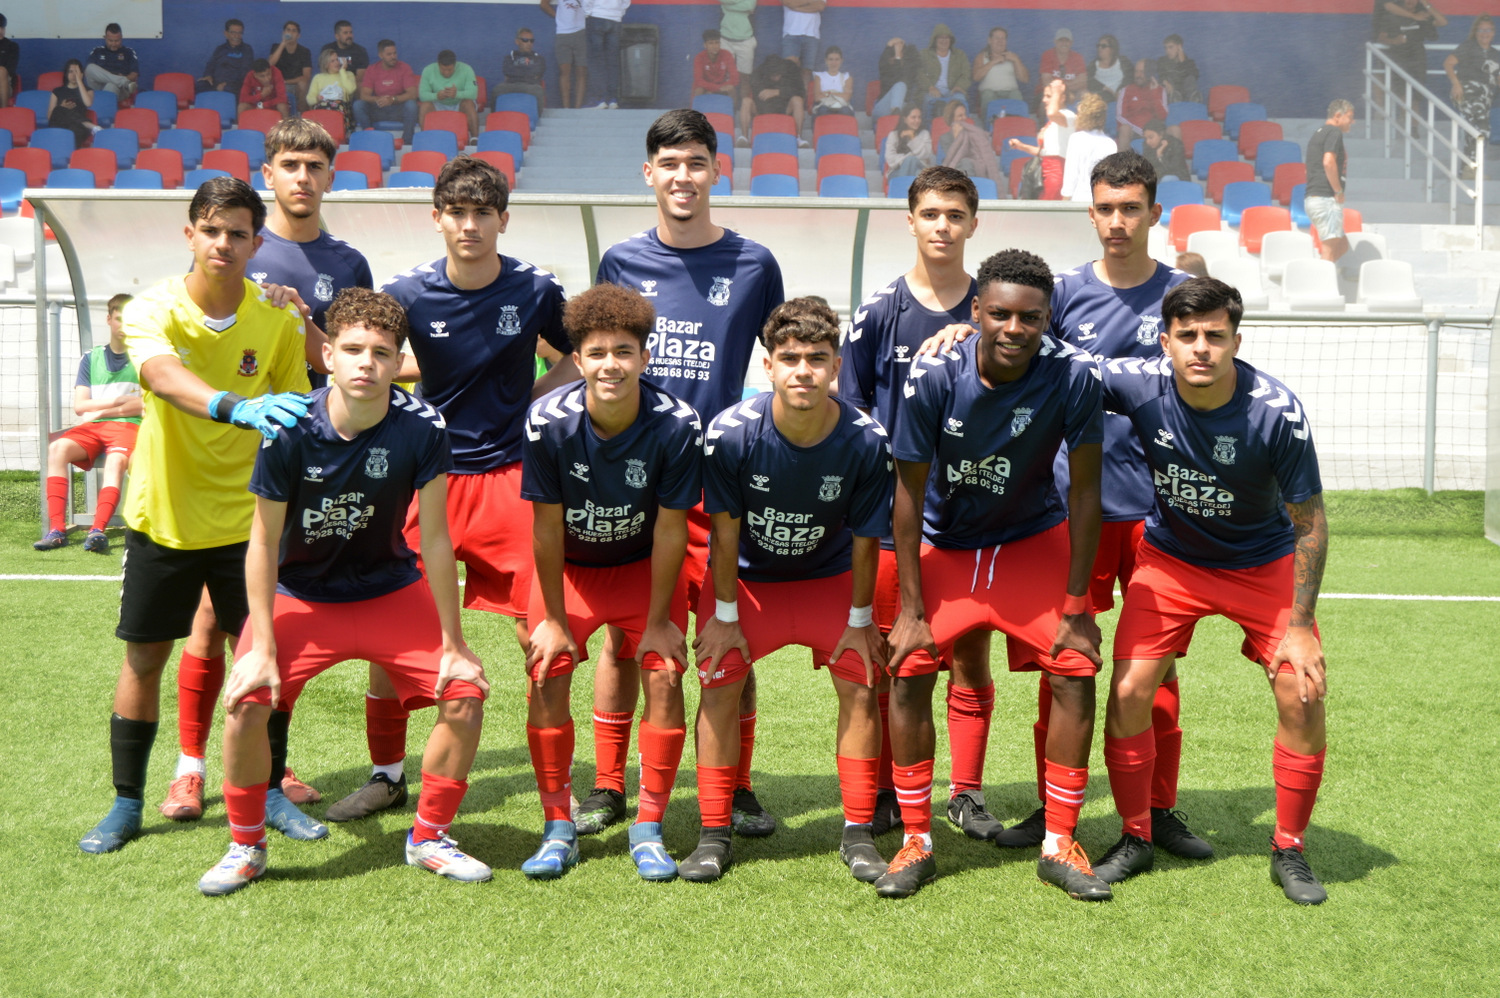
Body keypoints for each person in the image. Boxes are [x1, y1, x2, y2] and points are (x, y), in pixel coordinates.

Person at [197, 287, 491, 896]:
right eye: (352, 349)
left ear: (397, 362)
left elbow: (436, 540)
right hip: (299, 594)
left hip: (388, 588)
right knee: (247, 700)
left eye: (381, 353)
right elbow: (260, 542)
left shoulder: (422, 426)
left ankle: (429, 836)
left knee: (465, 692)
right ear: (327, 354)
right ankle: (246, 846)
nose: (366, 363)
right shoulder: (288, 429)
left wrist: (454, 643)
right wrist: (258, 645)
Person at [77, 177, 314, 855]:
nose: (223, 242)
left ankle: (267, 793)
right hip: (164, 518)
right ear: (190, 234)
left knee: (264, 659)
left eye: (238, 232)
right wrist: (236, 406)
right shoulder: (154, 307)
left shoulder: (278, 319)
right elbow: (158, 375)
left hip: (251, 527)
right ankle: (126, 802)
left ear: (256, 243)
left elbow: (295, 408)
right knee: (146, 657)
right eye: (211, 229)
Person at [1089, 276, 1330, 906]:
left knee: (1301, 690)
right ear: (1165, 342)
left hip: (1262, 563)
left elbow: (1310, 520)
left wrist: (1301, 626)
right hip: (1172, 563)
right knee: (1131, 688)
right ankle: (1136, 833)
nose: (1201, 348)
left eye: (1215, 336)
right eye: (1188, 336)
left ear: (1236, 341)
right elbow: (1046, 357)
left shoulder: (1276, 411)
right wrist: (965, 331)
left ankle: (1289, 846)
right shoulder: (1139, 384)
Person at [997, 152, 1207, 863]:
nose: (1118, 221)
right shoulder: (1058, 293)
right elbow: (1013, 350)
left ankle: (1158, 810)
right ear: (1090, 213)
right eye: (1106, 208)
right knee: (1064, 663)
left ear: (1154, 212)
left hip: (1158, 515)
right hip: (1070, 509)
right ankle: (1051, 806)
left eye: (1131, 208)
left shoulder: (1186, 296)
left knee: (1154, 672)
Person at [165, 118, 375, 826]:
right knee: (207, 618)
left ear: (330, 175)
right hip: (222, 457)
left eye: (316, 164)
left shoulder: (348, 263)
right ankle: (190, 768)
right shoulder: (240, 242)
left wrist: (304, 324)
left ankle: (270, 766)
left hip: (308, 454)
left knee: (273, 615)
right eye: (290, 163)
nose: (303, 177)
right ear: (269, 171)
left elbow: (344, 358)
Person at [883, 247, 1106, 901]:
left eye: (1030, 318)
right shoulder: (932, 376)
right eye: (1001, 314)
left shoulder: (1074, 376)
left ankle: (1059, 841)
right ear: (976, 311)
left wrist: (1076, 604)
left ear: (1048, 318)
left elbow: (1086, 495)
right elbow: (906, 497)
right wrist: (911, 609)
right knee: (909, 665)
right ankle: (916, 840)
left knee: (1076, 666)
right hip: (946, 545)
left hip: (1029, 541)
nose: (1014, 329)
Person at [586, 108, 784, 839]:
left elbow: (784, 358)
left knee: (728, 633)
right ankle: (609, 784)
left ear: (714, 171)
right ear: (649, 173)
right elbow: (601, 360)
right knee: (622, 636)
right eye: (669, 163)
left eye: (696, 162)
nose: (682, 176)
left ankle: (732, 786)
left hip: (717, 482)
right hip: (632, 481)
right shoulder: (621, 262)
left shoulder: (754, 264)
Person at [368, 157, 576, 819]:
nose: (469, 225)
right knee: (389, 626)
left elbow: (576, 352)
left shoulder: (535, 288)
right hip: (428, 479)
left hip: (512, 481)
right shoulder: (407, 293)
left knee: (541, 633)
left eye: (482, 213)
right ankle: (385, 775)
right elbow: (365, 360)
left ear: (502, 221)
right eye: (457, 213)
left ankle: (554, 796)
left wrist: (534, 405)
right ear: (437, 219)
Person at [687, 297, 892, 885]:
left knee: (859, 682)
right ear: (768, 366)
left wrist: (859, 620)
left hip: (827, 582)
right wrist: (724, 616)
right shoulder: (730, 433)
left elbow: (864, 541)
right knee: (720, 686)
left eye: (817, 359)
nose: (804, 370)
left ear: (836, 367)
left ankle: (856, 832)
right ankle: (713, 831)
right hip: (749, 585)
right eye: (790, 358)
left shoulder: (865, 438)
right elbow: (723, 536)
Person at [519, 282, 702, 882]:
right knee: (547, 669)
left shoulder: (677, 424)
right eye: (597, 353)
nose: (610, 365)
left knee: (666, 673)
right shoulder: (548, 421)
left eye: (624, 352)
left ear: (645, 358)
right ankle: (557, 826)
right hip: (569, 571)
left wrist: (657, 622)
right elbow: (545, 530)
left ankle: (648, 827)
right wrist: (549, 617)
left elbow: (673, 531)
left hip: (641, 568)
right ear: (577, 360)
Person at [844, 166, 994, 843]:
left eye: (954, 214)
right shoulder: (880, 311)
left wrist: (977, 339)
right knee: (892, 657)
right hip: (894, 513)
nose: (942, 226)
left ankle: (966, 792)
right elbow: (850, 410)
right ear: (910, 220)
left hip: (976, 512)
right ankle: (882, 791)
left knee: (969, 655)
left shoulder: (997, 310)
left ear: (973, 222)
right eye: (930, 213)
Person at [33, 293, 140, 554]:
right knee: (57, 448)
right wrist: (120, 400)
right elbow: (80, 406)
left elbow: (146, 404)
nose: (124, 326)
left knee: (115, 462)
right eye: (119, 319)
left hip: (129, 426)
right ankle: (57, 530)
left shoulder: (144, 356)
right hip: (94, 427)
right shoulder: (91, 358)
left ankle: (97, 531)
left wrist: (103, 410)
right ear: (108, 319)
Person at [1443, 15, 1499, 176]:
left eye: (1488, 30)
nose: (1484, 33)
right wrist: (1456, 83)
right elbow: (1448, 63)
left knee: (1477, 130)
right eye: (1481, 30)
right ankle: (1472, 167)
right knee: (1481, 127)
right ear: (1475, 32)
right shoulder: (1468, 46)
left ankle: (1468, 169)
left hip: (1485, 98)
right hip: (1467, 92)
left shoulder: (1496, 54)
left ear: (1493, 33)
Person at [1304, 99, 1355, 263]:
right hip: (1325, 199)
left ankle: (1318, 273)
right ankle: (1320, 285)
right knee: (1329, 252)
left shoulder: (1318, 133)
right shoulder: (1334, 132)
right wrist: (1338, 190)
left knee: (1342, 245)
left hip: (1315, 198)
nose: (1351, 122)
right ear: (1338, 115)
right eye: (1349, 117)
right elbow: (1328, 161)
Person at [1008, 79, 1074, 200]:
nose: (1044, 100)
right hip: (1045, 170)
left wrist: (1057, 92)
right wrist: (1021, 146)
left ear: (1062, 98)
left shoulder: (1069, 116)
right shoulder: (1053, 122)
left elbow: (1052, 113)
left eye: (1049, 96)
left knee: (1049, 211)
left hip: (1057, 171)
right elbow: (1044, 152)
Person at [354, 40, 420, 147]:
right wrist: (380, 100)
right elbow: (364, 95)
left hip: (398, 109)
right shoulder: (372, 69)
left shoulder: (404, 67)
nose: (393, 56)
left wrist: (392, 99)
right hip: (379, 108)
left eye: (395, 53)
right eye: (389, 54)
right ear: (381, 55)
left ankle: (407, 142)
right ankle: (370, 138)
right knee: (358, 105)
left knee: (412, 105)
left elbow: (412, 94)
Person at [737, 54, 807, 146]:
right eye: (773, 75)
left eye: (778, 74)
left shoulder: (791, 68)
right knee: (746, 101)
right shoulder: (758, 73)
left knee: (798, 100)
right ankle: (745, 137)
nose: (776, 78)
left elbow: (801, 91)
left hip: (785, 108)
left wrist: (778, 92)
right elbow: (759, 99)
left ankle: (798, 138)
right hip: (763, 109)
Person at [1375, 0, 1446, 90]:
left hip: (1418, 60)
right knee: (1401, 92)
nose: (1410, 1)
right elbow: (1381, 38)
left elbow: (1443, 22)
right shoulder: (1392, 16)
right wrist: (1394, 41)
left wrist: (1426, 4)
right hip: (1399, 57)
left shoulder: (1423, 16)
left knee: (1417, 93)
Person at [1061, 93, 1117, 203]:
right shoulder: (1110, 144)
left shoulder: (1076, 139)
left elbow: (1071, 175)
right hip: (1102, 202)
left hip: (1079, 201)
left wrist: (1064, 201)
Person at [937, 101, 1002, 190]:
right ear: (952, 119)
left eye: (964, 115)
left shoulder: (973, 132)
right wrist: (957, 139)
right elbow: (952, 158)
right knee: (965, 163)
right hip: (956, 171)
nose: (964, 118)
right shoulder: (944, 138)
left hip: (975, 166)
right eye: (960, 116)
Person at [420, 50, 480, 142]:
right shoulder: (428, 70)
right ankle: (424, 138)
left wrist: (457, 94)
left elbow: (473, 94)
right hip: (438, 103)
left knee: (468, 103)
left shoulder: (467, 69)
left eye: (450, 70)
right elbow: (422, 95)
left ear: (455, 65)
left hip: (459, 104)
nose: (447, 72)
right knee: (425, 106)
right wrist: (436, 96)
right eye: (443, 69)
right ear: (438, 65)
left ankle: (475, 139)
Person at [972, 27, 1028, 123]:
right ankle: (989, 127)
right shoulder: (982, 56)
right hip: (990, 93)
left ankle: (1016, 127)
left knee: (1016, 95)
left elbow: (1025, 79)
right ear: (990, 40)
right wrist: (993, 61)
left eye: (1003, 38)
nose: (1000, 41)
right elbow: (976, 77)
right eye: (997, 38)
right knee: (987, 95)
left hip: (1010, 93)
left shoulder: (1013, 57)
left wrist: (1016, 61)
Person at [917, 24, 970, 122]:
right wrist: (930, 87)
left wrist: (959, 86)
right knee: (929, 101)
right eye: (940, 37)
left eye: (946, 38)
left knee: (961, 100)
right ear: (935, 39)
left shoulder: (959, 55)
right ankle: (929, 129)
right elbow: (919, 74)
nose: (944, 41)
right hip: (931, 91)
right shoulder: (925, 54)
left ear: (951, 40)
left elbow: (966, 74)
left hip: (953, 91)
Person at [541, 0, 588, 109]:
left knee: (581, 72)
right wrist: (558, 17)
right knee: (564, 72)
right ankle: (566, 108)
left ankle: (578, 108)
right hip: (563, 33)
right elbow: (544, 4)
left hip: (581, 32)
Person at [584, 0, 630, 109]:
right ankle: (612, 100)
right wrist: (618, 12)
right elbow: (626, 2)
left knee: (596, 62)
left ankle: (599, 100)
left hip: (597, 17)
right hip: (615, 19)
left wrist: (588, 12)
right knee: (612, 62)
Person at [48, 61, 100, 146]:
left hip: (77, 127)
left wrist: (79, 81)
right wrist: (62, 108)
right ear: (66, 74)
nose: (73, 75)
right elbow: (50, 116)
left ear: (81, 74)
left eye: (76, 72)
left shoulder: (88, 90)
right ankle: (88, 124)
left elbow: (88, 103)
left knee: (75, 131)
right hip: (59, 125)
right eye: (70, 72)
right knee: (58, 109)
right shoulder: (57, 91)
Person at [1117, 60, 1167, 148]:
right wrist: (1140, 131)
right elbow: (1120, 117)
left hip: (1154, 132)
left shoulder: (1160, 90)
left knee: (1174, 129)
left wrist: (1154, 93)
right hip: (1133, 132)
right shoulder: (1126, 90)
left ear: (1149, 73)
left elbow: (1162, 116)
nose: (1138, 75)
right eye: (1136, 71)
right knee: (1124, 129)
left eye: (1142, 72)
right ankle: (1121, 161)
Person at [307, 47, 358, 133]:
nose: (337, 63)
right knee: (320, 108)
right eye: (332, 61)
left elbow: (350, 90)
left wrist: (342, 71)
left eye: (337, 60)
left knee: (337, 106)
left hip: (342, 107)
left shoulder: (348, 74)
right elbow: (309, 99)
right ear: (326, 64)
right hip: (323, 105)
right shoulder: (318, 77)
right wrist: (317, 98)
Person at [198, 19, 254, 95]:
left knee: (228, 89)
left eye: (239, 33)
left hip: (235, 85)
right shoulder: (220, 49)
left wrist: (227, 84)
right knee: (200, 85)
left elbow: (245, 72)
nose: (236, 36)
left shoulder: (247, 49)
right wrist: (208, 75)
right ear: (226, 33)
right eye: (233, 32)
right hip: (216, 84)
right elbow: (211, 64)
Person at [496, 27, 547, 108]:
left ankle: (537, 119)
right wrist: (528, 71)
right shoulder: (509, 57)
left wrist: (516, 72)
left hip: (530, 85)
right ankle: (497, 118)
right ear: (517, 41)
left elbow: (537, 73)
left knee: (538, 91)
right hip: (511, 85)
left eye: (531, 40)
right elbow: (507, 72)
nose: (529, 43)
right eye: (525, 40)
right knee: (498, 90)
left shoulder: (539, 58)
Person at [268, 21, 313, 112]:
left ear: (298, 35)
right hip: (279, 85)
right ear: (283, 33)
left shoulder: (304, 51)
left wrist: (286, 82)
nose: (290, 33)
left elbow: (306, 76)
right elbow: (269, 65)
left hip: (296, 85)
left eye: (294, 31)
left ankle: (302, 116)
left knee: (304, 84)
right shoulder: (276, 47)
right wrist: (283, 44)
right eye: (288, 30)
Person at [882, 105, 934, 183]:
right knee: (913, 165)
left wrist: (913, 137)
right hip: (897, 172)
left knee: (916, 170)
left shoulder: (925, 134)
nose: (917, 120)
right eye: (913, 117)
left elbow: (926, 154)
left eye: (919, 117)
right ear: (905, 119)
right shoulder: (894, 135)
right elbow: (890, 158)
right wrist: (909, 158)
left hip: (920, 169)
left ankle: (902, 191)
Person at [86, 23, 139, 99]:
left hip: (119, 89)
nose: (113, 44)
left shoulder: (129, 52)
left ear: (121, 38)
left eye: (117, 41)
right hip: (98, 87)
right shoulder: (97, 51)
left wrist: (125, 77)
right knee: (89, 67)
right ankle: (123, 82)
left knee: (111, 85)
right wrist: (121, 79)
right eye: (110, 41)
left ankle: (104, 108)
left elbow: (134, 74)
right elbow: (88, 72)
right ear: (105, 38)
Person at [872, 36, 919, 120]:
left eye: (899, 54)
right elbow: (884, 65)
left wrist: (898, 57)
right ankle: (896, 116)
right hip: (882, 110)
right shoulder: (886, 70)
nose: (895, 57)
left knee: (901, 86)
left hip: (902, 109)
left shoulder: (908, 70)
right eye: (893, 56)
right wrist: (888, 46)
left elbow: (901, 79)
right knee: (900, 85)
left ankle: (896, 116)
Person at [718, 0, 759, 90]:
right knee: (727, 77)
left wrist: (728, 5)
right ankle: (732, 104)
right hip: (725, 39)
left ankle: (745, 103)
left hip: (746, 39)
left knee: (745, 77)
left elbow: (749, 6)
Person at [1037, 28, 1086, 100]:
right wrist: (1064, 91)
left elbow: (1082, 82)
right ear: (1055, 42)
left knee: (1085, 94)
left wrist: (1064, 89)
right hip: (1051, 92)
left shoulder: (1078, 57)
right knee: (1048, 97)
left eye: (1067, 41)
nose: (1064, 43)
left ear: (1071, 43)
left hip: (1071, 92)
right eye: (1061, 40)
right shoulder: (1048, 55)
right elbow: (1046, 82)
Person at [693, 29, 739, 101]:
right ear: (705, 45)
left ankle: (732, 111)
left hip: (723, 87)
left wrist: (720, 88)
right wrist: (715, 88)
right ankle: (697, 111)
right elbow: (699, 80)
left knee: (731, 88)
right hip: (707, 88)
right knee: (699, 90)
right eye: (711, 43)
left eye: (717, 43)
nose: (714, 46)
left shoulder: (727, 54)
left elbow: (735, 78)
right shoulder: (699, 57)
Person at [1156, 34, 1201, 104]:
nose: (1168, 51)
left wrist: (1183, 62)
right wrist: (1165, 82)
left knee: (1190, 78)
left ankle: (1193, 99)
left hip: (1186, 94)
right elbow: (1161, 74)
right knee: (1167, 79)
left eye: (1171, 47)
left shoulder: (1189, 63)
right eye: (1166, 48)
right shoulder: (1162, 61)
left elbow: (1195, 76)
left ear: (1179, 47)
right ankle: (1175, 97)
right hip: (1170, 92)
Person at [810, 46, 854, 117]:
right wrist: (839, 94)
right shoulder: (819, 76)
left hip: (841, 106)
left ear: (841, 60)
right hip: (824, 106)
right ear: (826, 60)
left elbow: (846, 97)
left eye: (837, 59)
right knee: (823, 110)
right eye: (831, 59)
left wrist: (827, 93)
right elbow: (817, 98)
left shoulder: (847, 77)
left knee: (845, 111)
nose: (834, 63)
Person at [780, 0, 824, 68]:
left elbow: (820, 6)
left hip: (811, 34)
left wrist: (796, 7)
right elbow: (788, 2)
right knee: (789, 68)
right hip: (791, 33)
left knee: (807, 71)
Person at [1086, 34, 1129, 101]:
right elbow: (1088, 80)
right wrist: (1105, 88)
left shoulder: (1123, 62)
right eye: (1098, 46)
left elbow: (1130, 77)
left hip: (1123, 97)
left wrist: (1120, 90)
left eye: (1103, 46)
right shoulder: (1093, 66)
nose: (1099, 48)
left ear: (1112, 49)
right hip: (1102, 99)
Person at [0, 14, 16, 108]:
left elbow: (10, 70)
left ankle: (3, 111)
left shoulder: (12, 46)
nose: (1, 31)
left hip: (5, 82)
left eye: (3, 27)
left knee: (1, 71)